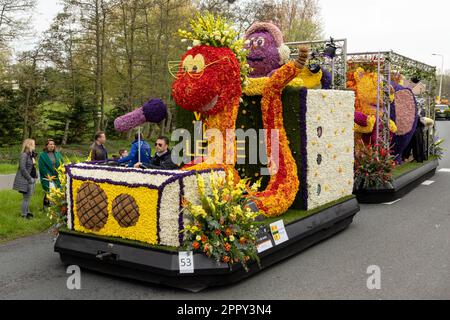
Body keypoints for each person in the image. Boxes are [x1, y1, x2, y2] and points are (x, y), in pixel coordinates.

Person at [12, 139, 38, 219]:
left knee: (28, 197)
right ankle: (24, 214)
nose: (35, 145)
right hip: (26, 179)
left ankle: (27, 212)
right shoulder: (24, 155)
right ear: (28, 145)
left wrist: (35, 175)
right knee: (26, 198)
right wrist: (30, 178)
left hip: (30, 179)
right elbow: (22, 169)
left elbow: (31, 167)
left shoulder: (30, 155)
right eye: (33, 144)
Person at [39, 139, 64, 210]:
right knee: (49, 192)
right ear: (46, 146)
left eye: (53, 144)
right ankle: (46, 207)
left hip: (57, 176)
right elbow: (42, 167)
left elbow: (62, 163)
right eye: (50, 144)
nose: (52, 145)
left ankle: (56, 207)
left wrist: (61, 172)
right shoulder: (42, 155)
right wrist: (49, 176)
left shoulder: (57, 154)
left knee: (58, 191)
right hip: (47, 177)